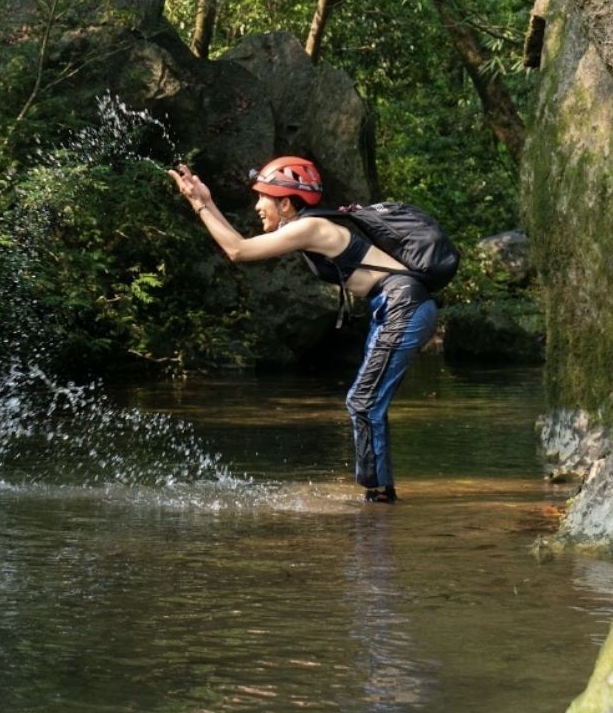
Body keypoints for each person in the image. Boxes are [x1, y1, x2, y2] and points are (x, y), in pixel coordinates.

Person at [168, 156, 438, 503]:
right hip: (395, 308)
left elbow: (238, 250)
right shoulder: (305, 226)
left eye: (262, 198)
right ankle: (379, 497)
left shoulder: (309, 228)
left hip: (404, 307)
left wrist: (201, 206)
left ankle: (380, 501)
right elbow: (240, 243)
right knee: (365, 402)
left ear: (284, 201)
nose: (256, 206)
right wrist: (203, 202)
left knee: (363, 403)